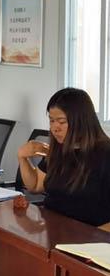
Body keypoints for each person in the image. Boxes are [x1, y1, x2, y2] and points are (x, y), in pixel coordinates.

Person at [18, 87, 110, 227]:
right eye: (51, 121)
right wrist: (22, 158)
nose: (55, 128)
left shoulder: (105, 154)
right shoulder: (60, 148)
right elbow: (36, 185)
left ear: (81, 121)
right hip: (53, 229)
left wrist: (93, 235)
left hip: (89, 235)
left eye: (61, 122)